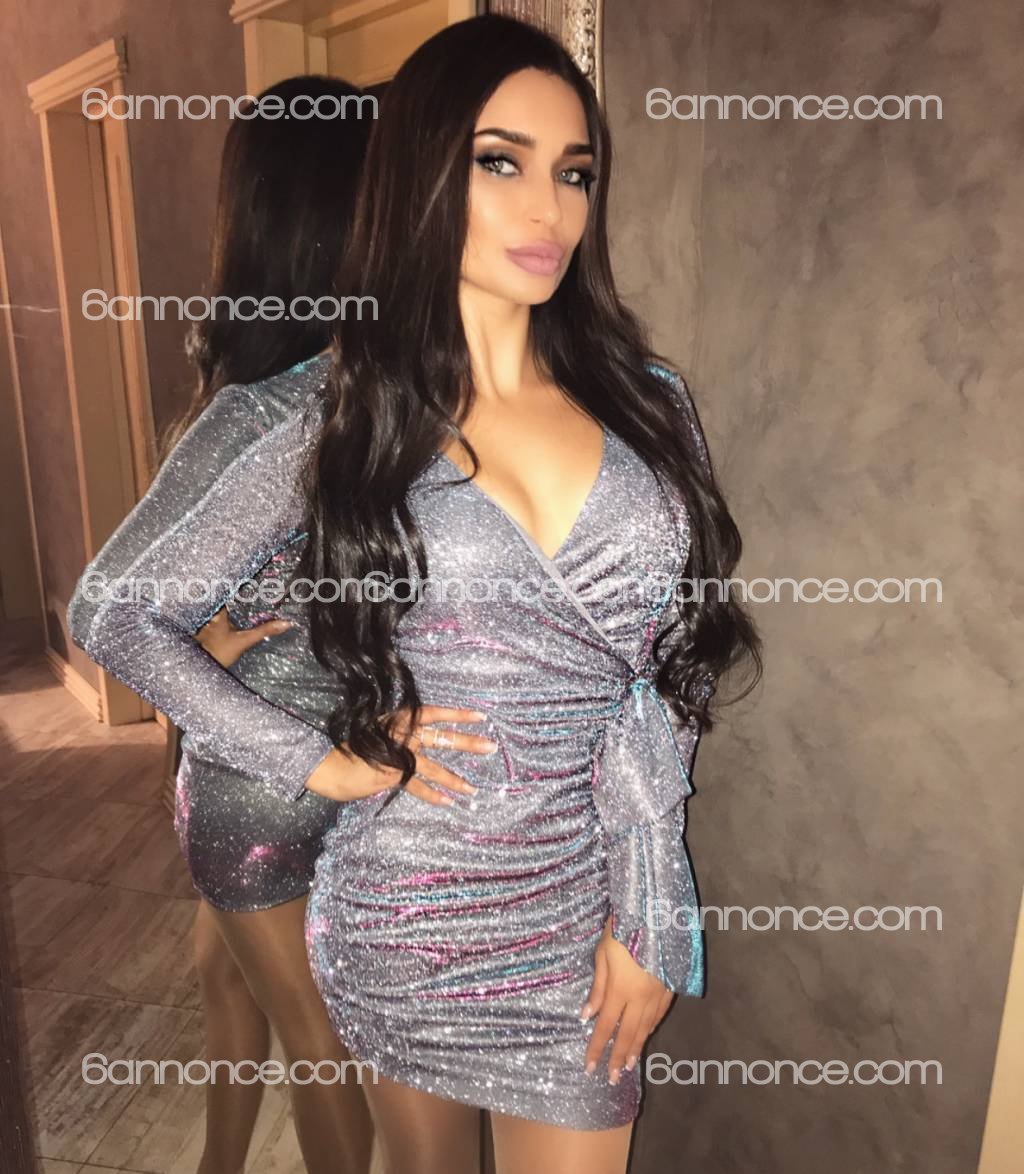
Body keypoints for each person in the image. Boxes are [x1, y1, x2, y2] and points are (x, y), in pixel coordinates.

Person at [287, 14, 763, 1174]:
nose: (548, 208)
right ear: (421, 173)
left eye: (574, 172)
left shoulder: (647, 401)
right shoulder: (344, 407)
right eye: (500, 163)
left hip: (579, 906)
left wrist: (650, 911)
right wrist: (313, 755)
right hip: (408, 914)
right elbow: (121, 613)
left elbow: (668, 674)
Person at [66, 75, 443, 1174]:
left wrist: (249, 703)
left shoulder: (277, 401)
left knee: (316, 1045)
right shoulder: (393, 386)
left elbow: (110, 610)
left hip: (267, 769)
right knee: (225, 977)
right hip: (324, 739)